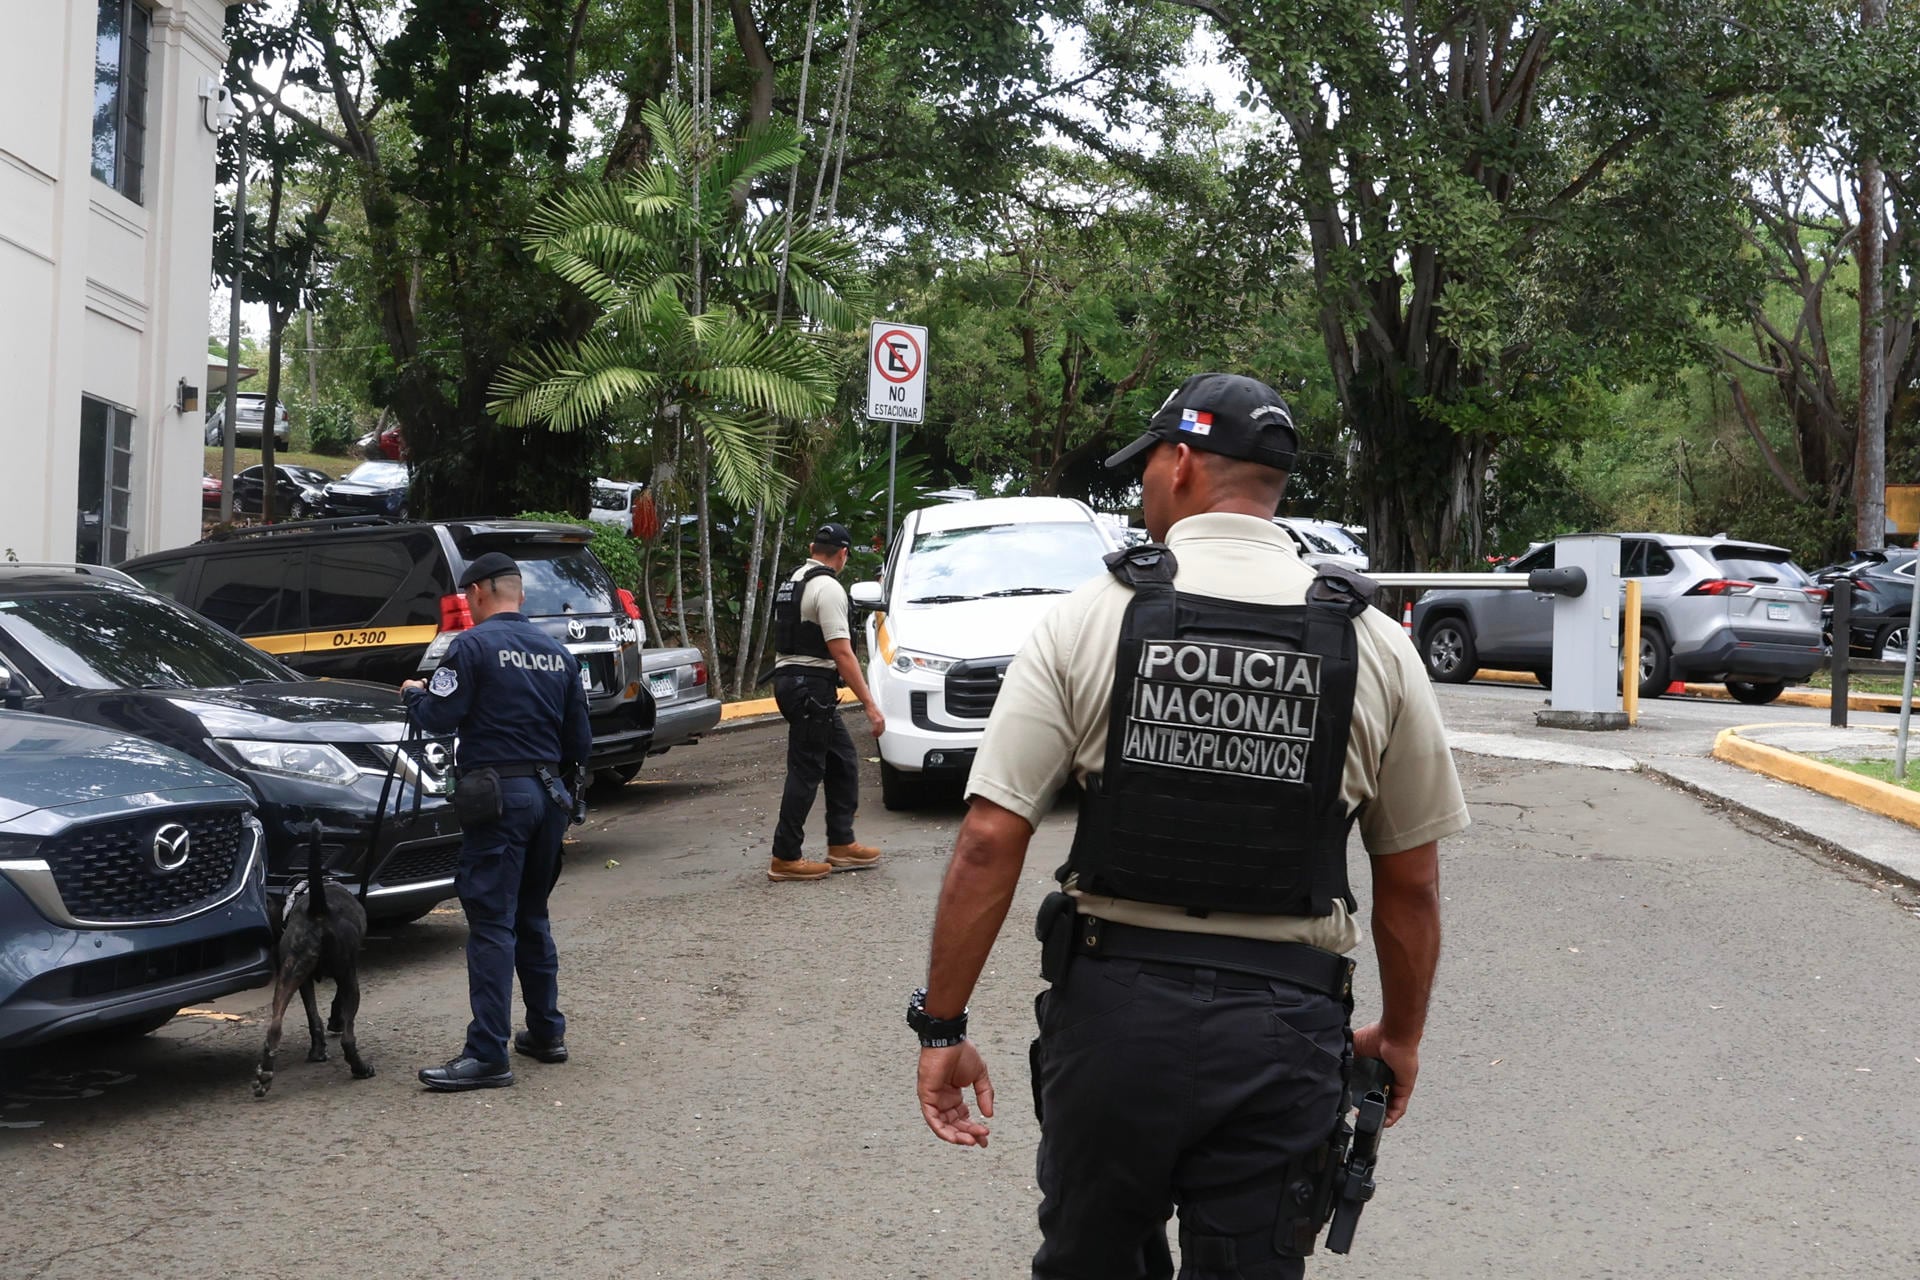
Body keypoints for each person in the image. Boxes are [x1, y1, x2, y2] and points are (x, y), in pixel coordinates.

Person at [909, 373, 1468, 1278]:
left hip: (1114, 1021)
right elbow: (1411, 882)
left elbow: (987, 839)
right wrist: (1400, 1036)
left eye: (1145, 471)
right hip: (1286, 1031)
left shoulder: (1090, 617)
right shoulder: (1374, 642)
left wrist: (942, 1028)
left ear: (1176, 465)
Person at [401, 551, 592, 1092]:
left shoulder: (472, 646)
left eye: (467, 597)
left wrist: (416, 697)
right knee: (532, 915)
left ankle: (487, 1053)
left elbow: (439, 716)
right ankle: (545, 1032)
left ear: (480, 592)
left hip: (499, 800)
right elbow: (580, 742)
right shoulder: (558, 653)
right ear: (521, 595)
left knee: (491, 921)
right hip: (549, 797)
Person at [766, 521, 887, 882]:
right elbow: (842, 652)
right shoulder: (828, 588)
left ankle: (841, 844)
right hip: (809, 687)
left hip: (794, 682)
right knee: (806, 770)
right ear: (843, 554)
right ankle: (785, 857)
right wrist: (870, 704)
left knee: (843, 760)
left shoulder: (793, 582)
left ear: (812, 546)